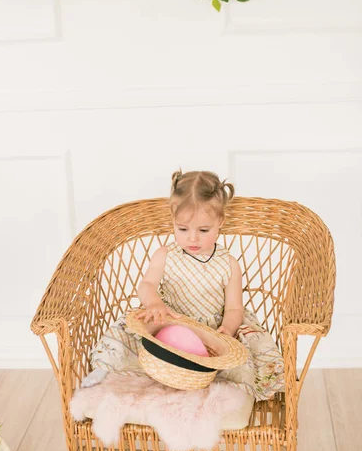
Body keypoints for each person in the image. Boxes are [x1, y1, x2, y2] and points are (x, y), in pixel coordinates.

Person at [82, 170, 285, 401]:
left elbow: (234, 309)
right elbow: (146, 285)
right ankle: (105, 372)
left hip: (211, 329)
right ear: (173, 221)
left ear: (220, 222)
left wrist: (227, 330)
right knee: (123, 337)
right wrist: (154, 302)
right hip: (168, 321)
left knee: (245, 356)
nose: (193, 239)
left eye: (204, 230)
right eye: (183, 229)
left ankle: (226, 389)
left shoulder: (228, 264)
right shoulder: (165, 255)